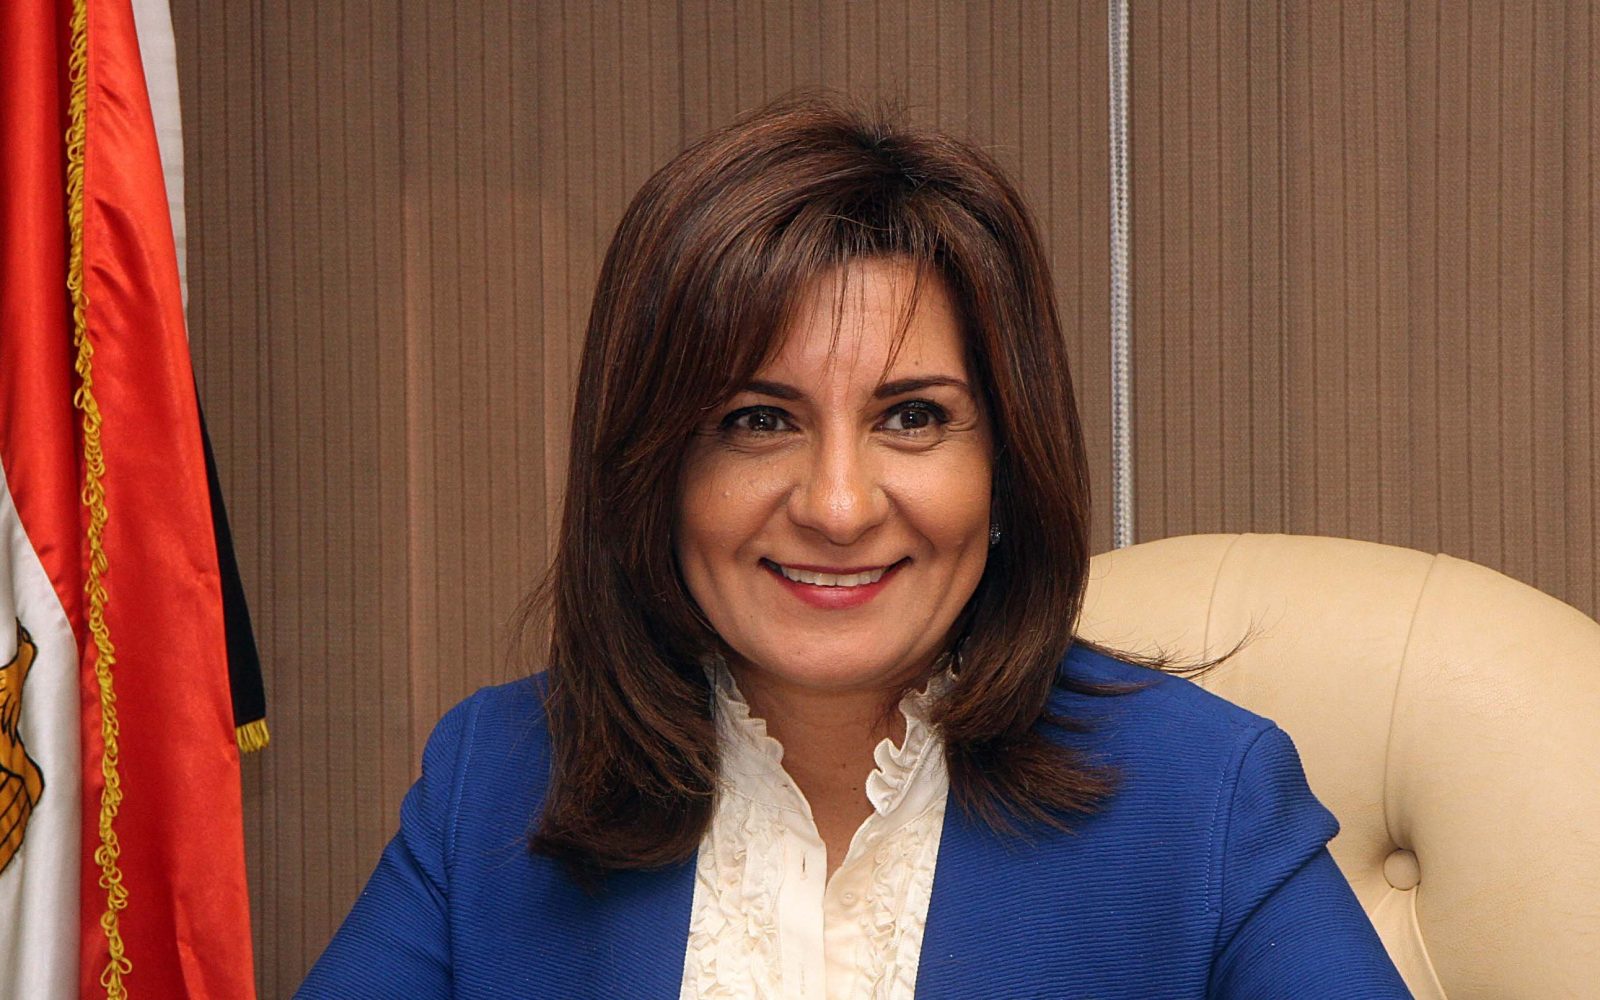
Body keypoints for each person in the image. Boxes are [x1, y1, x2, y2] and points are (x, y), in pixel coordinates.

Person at [297, 91, 1410, 999]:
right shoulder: (494, 780)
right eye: (757, 420)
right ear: (654, 469)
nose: (838, 506)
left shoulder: (1204, 797)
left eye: (912, 416)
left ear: (1006, 462)